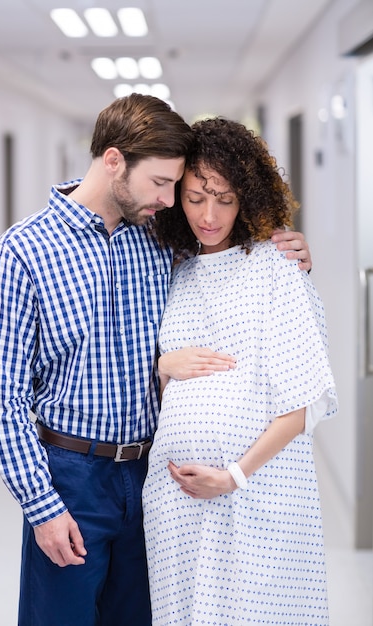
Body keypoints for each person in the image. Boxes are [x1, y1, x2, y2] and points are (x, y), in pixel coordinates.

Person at [0, 94, 312, 626]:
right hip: (71, 477)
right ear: (114, 161)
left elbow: (225, 261)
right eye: (161, 183)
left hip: (153, 476)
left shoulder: (161, 239)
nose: (169, 198)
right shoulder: (23, 251)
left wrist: (288, 248)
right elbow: (2, 401)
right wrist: (41, 506)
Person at [142, 116, 338, 625]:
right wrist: (163, 365)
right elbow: (146, 371)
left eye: (225, 199)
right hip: (176, 502)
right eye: (194, 197)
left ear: (247, 198)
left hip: (256, 497)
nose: (208, 215)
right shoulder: (173, 271)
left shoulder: (276, 268)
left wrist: (233, 475)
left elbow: (305, 401)